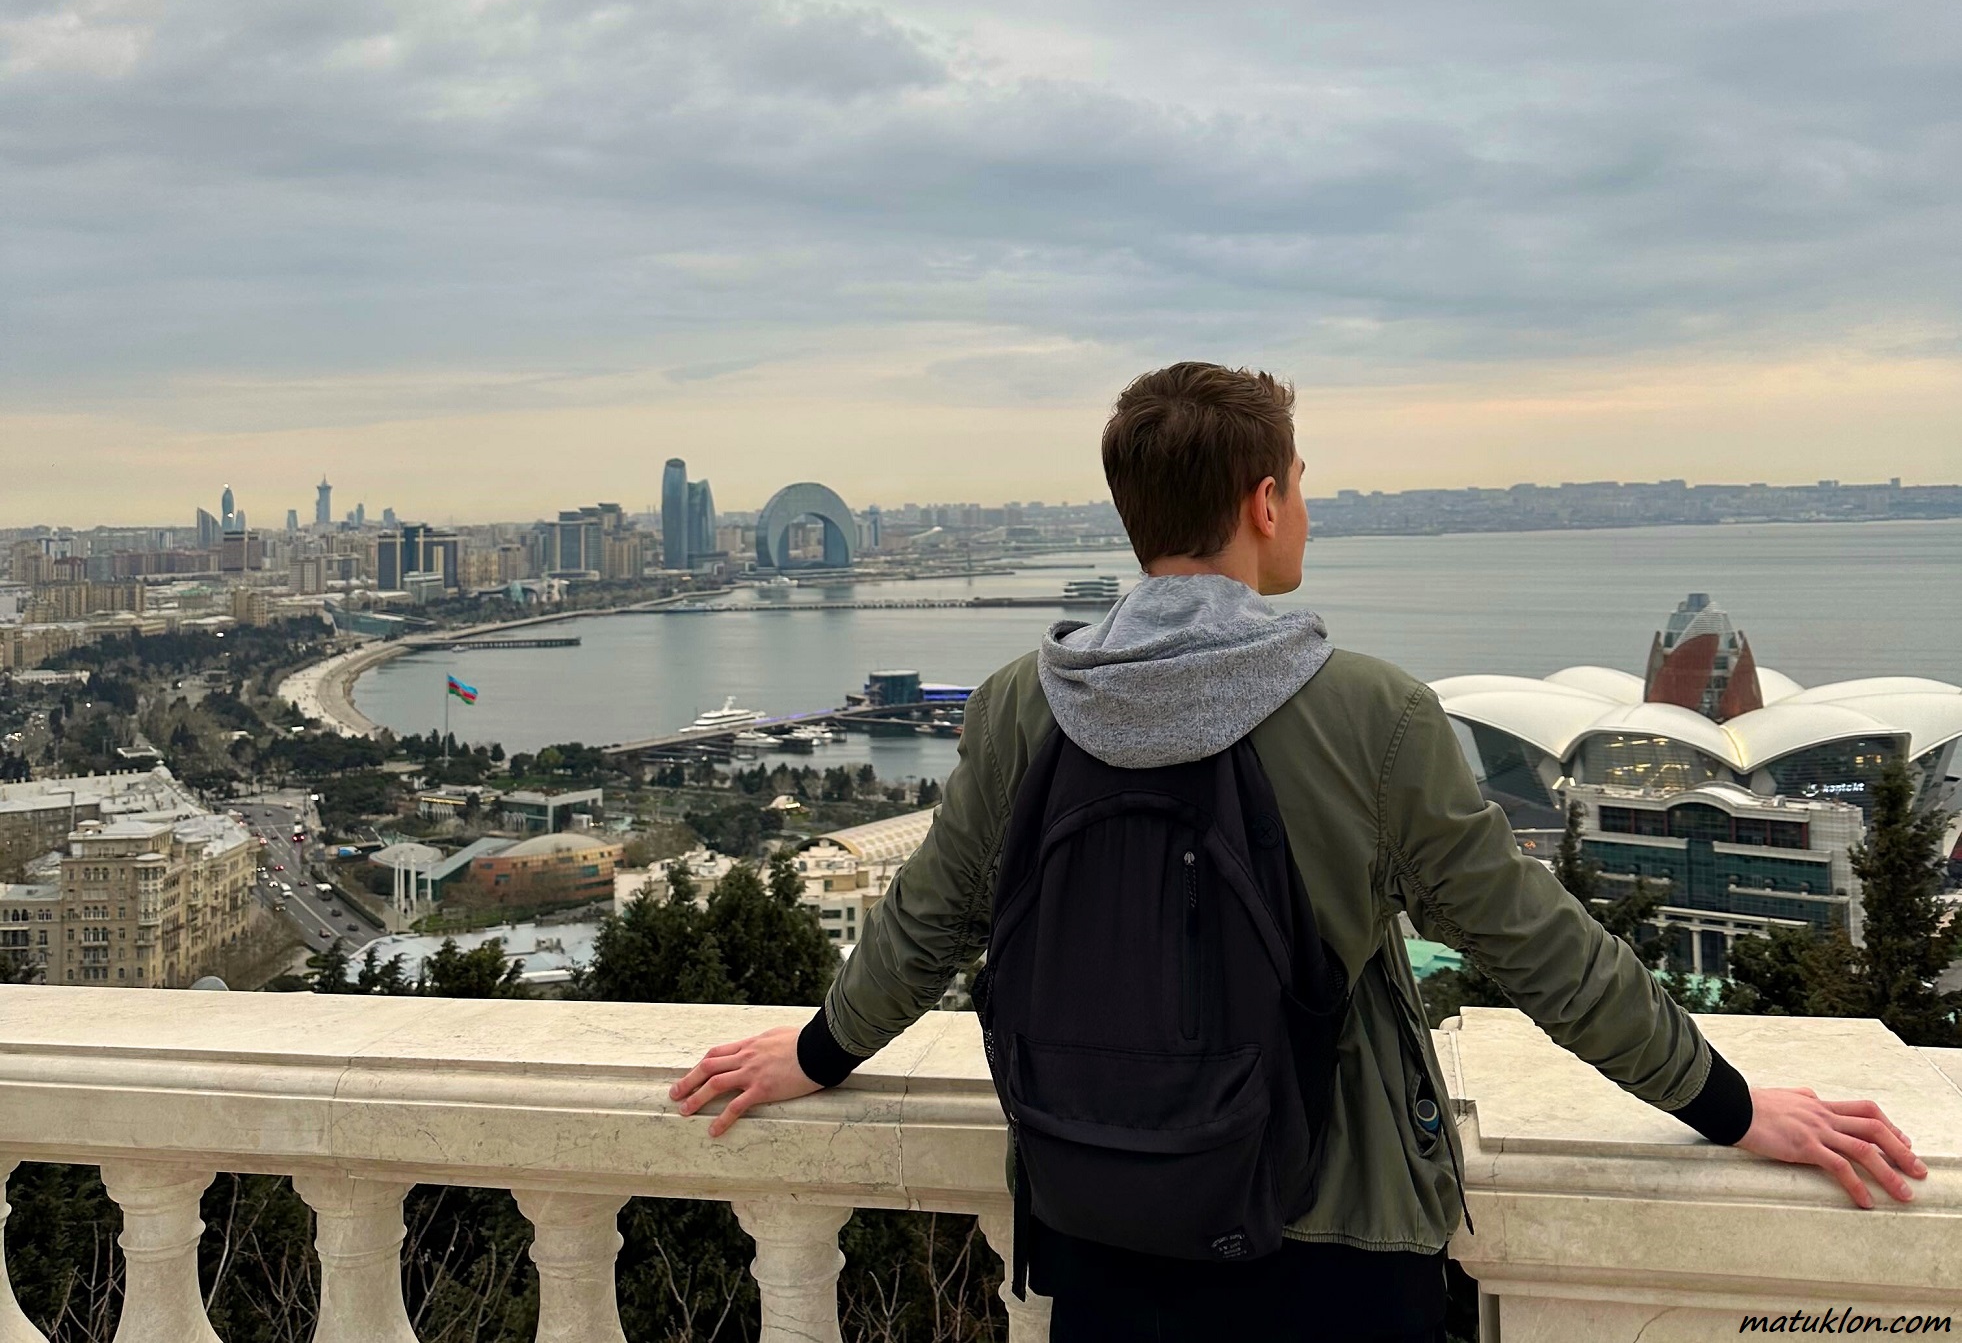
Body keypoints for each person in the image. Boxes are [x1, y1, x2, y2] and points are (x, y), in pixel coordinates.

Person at [672, 362, 1925, 1342]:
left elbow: (931, 917)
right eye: (1303, 485)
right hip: (1330, 1234)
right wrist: (1731, 1105)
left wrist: (819, 1048)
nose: (1307, 511)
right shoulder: (1367, 711)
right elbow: (1538, 948)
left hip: (1100, 1212)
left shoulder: (1020, 699)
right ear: (1264, 502)